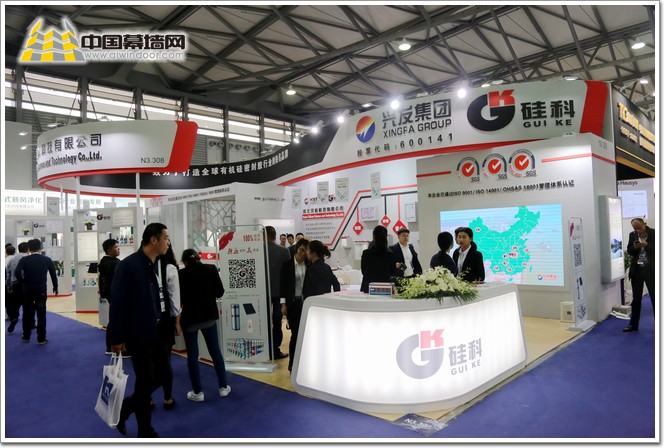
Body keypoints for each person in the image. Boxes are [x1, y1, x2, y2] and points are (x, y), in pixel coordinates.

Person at [109, 223, 171, 438]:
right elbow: (118, 303)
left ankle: (126, 408)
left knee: (162, 375)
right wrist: (116, 338)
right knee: (145, 379)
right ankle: (145, 430)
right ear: (154, 240)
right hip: (139, 333)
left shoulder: (154, 264)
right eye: (165, 238)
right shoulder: (129, 266)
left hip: (157, 331)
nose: (168, 242)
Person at [178, 248, 231, 401]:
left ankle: (198, 392)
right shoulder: (211, 269)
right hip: (209, 317)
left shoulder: (181, 274)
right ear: (198, 258)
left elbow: (179, 298)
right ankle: (223, 387)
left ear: (185, 261)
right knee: (215, 352)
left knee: (192, 356)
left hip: (190, 319)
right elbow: (220, 292)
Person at [153, 243, 182, 410]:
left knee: (148, 362)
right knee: (165, 361)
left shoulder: (141, 266)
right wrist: (177, 322)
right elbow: (174, 298)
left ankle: (148, 398)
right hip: (165, 322)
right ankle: (167, 398)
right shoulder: (169, 268)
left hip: (145, 320)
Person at [14, 239, 58, 344]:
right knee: (41, 314)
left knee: (27, 313)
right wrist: (55, 287)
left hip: (27, 290)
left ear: (29, 249)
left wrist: (23, 281)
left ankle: (26, 336)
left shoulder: (24, 260)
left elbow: (17, 272)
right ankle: (41, 338)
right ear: (40, 248)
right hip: (41, 290)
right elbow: (53, 274)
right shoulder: (47, 259)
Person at [280, 238, 310, 371]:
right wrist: (283, 305)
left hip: (306, 303)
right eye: (301, 250)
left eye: (306, 251)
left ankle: (304, 363)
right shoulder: (287, 265)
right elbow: (282, 286)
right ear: (297, 248)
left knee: (306, 334)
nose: (303, 253)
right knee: (295, 334)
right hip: (293, 304)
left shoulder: (309, 264)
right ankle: (292, 363)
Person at [623, 218, 655, 332]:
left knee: (655, 298)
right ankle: (633, 324)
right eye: (635, 228)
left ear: (644, 224)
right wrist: (635, 247)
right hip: (637, 270)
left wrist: (646, 245)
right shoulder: (632, 235)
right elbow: (629, 251)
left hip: (651, 270)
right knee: (636, 299)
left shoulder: (654, 233)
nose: (637, 230)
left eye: (639, 228)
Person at [265, 226, 291, 360]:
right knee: (277, 322)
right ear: (275, 236)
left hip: (261, 293)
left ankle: (263, 350)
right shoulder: (284, 251)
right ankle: (274, 350)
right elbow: (288, 274)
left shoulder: (256, 251)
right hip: (279, 292)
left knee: (263, 322)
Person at [98, 238, 125, 355]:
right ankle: (119, 348)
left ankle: (110, 346)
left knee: (113, 320)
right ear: (109, 249)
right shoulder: (115, 263)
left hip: (110, 294)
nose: (118, 249)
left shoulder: (103, 262)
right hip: (117, 295)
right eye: (116, 247)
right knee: (119, 320)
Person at [360, 225, 398, 293]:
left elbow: (363, 271)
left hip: (369, 285)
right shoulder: (390, 254)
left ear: (374, 236)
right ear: (386, 237)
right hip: (385, 286)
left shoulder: (366, 253)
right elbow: (393, 271)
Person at [6, 242, 29, 334]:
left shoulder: (13, 259)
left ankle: (14, 318)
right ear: (28, 249)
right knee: (27, 306)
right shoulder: (28, 258)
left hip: (15, 285)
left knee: (16, 304)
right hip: (25, 284)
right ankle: (30, 324)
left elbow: (8, 273)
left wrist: (9, 285)